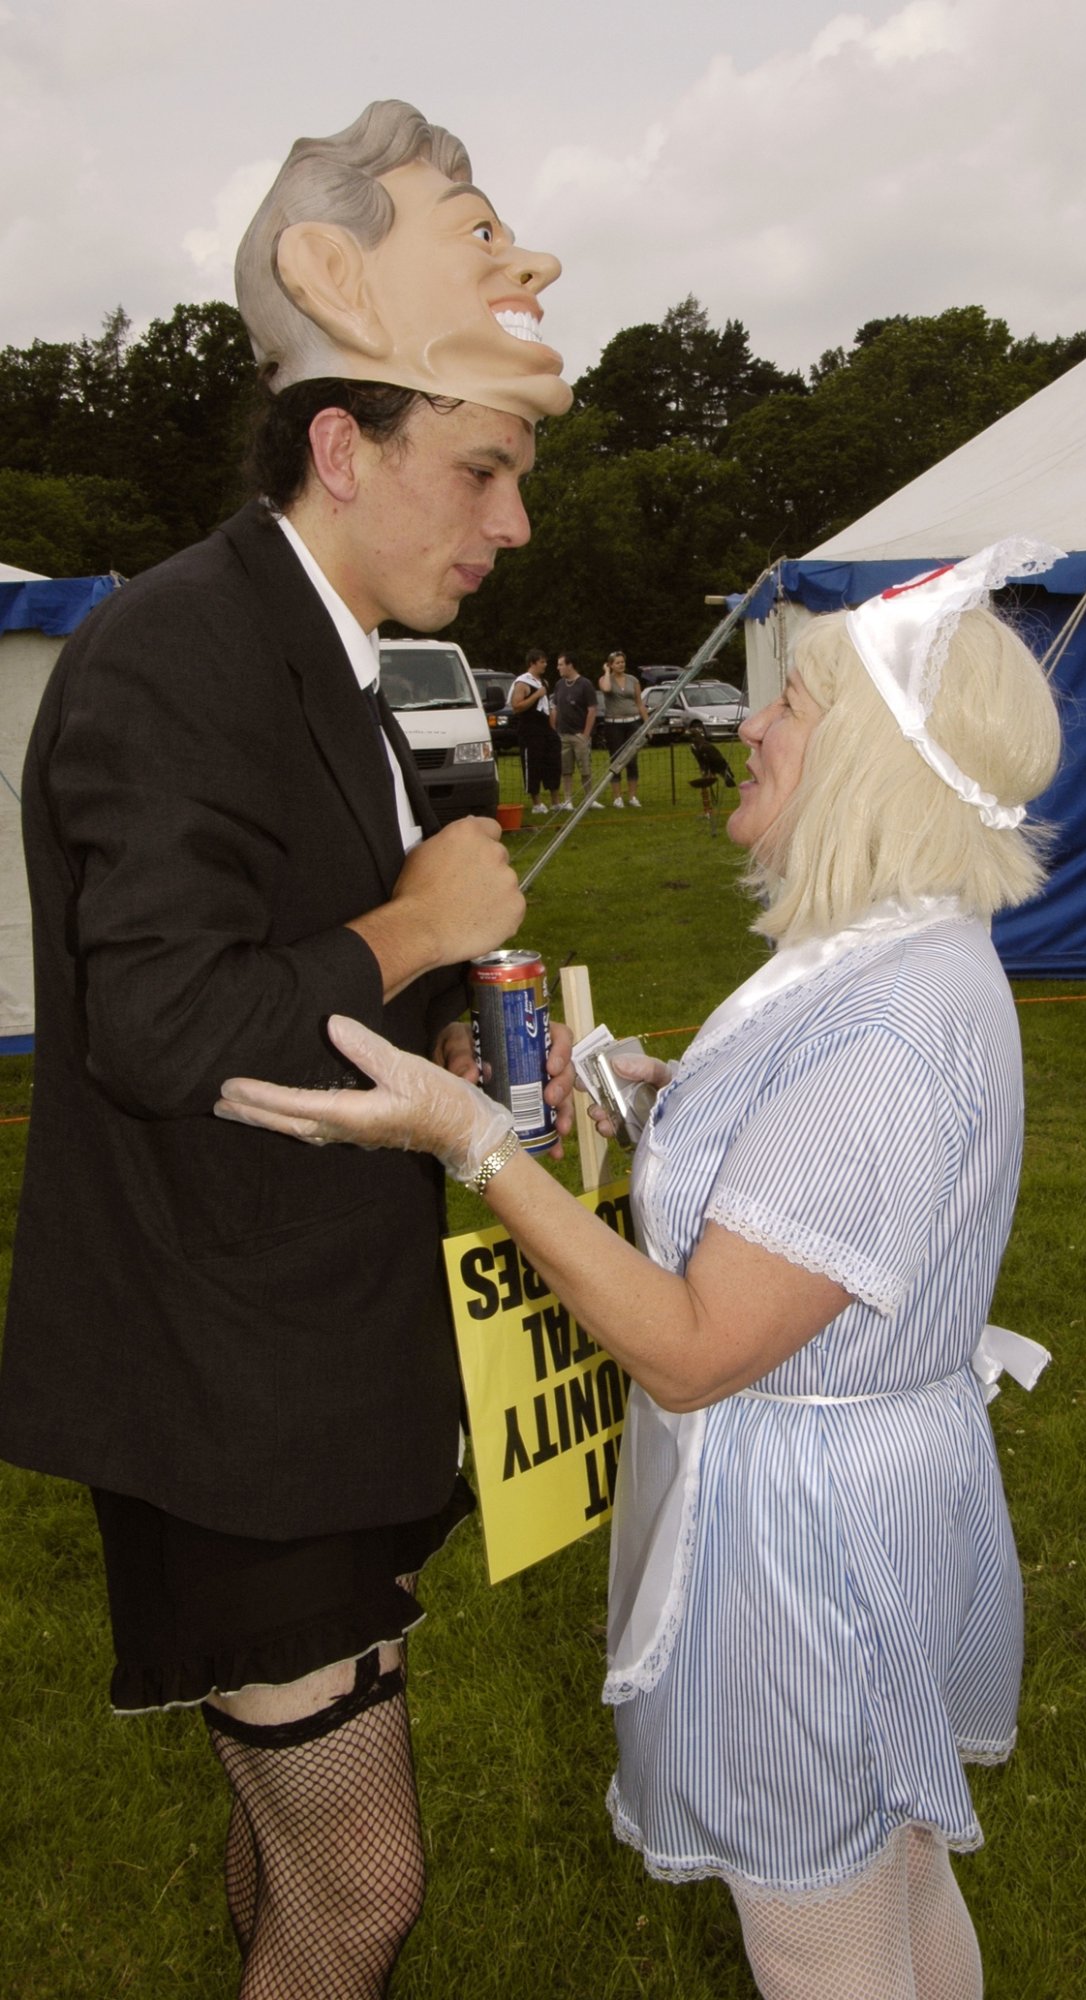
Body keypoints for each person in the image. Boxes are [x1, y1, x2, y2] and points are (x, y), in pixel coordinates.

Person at [213, 540, 1064, 2000]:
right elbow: (822, 1198)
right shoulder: (897, 962)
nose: (748, 723)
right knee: (895, 1873)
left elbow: (688, 1346)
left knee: (821, 1932)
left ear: (873, 762)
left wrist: (471, 1141)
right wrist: (666, 1106)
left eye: (790, 704)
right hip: (866, 1493)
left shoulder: (891, 1026)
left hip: (812, 1549)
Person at [0, 99, 576, 2000]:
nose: (512, 521)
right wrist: (423, 924)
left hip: (330, 1371)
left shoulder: (377, 663)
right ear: (346, 443)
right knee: (362, 1890)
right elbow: (164, 1021)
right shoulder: (178, 653)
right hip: (223, 1395)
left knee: (294, 1868)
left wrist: (514, 1035)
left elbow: (386, 967)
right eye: (482, 472)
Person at [512, 645, 562, 811]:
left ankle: (555, 802)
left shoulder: (544, 682)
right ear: (533, 663)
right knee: (533, 764)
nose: (545, 665)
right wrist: (536, 695)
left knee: (553, 762)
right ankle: (537, 803)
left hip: (545, 727)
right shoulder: (522, 682)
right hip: (530, 729)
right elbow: (516, 706)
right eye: (542, 662)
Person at [552, 651, 601, 808]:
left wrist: (585, 734)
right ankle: (568, 799)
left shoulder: (585, 684)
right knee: (566, 770)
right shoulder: (559, 684)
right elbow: (555, 707)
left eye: (560, 664)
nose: (558, 667)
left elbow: (592, 710)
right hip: (563, 734)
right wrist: (555, 729)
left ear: (570, 665)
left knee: (585, 768)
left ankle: (589, 798)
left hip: (579, 734)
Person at [599, 649, 646, 807]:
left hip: (633, 722)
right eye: (617, 662)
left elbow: (640, 703)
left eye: (623, 662)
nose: (621, 665)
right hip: (614, 725)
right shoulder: (605, 680)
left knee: (632, 760)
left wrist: (646, 724)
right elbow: (605, 689)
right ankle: (617, 797)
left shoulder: (633, 680)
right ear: (611, 664)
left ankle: (632, 796)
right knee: (616, 759)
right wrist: (606, 672)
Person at [683, 715, 736, 829]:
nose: (690, 738)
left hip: (719, 767)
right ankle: (707, 810)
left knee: (727, 780)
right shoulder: (693, 747)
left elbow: (718, 761)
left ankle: (710, 809)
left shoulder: (705, 746)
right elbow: (701, 761)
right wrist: (704, 771)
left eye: (691, 736)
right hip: (709, 767)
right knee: (705, 784)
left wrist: (720, 773)